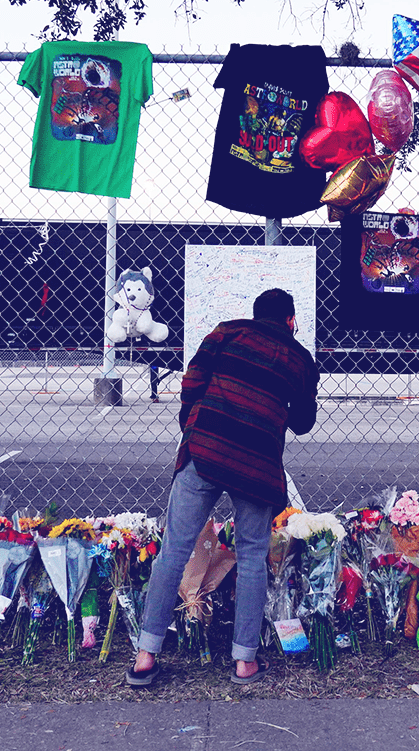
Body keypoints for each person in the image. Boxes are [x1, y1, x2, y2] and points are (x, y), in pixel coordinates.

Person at [128, 288, 318, 687]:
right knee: (251, 557)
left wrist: (193, 427)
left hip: (206, 448)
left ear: (254, 314)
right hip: (258, 465)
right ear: (290, 320)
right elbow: (302, 422)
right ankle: (244, 663)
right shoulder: (300, 359)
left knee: (174, 551)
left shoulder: (225, 333)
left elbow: (192, 381)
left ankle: (146, 656)